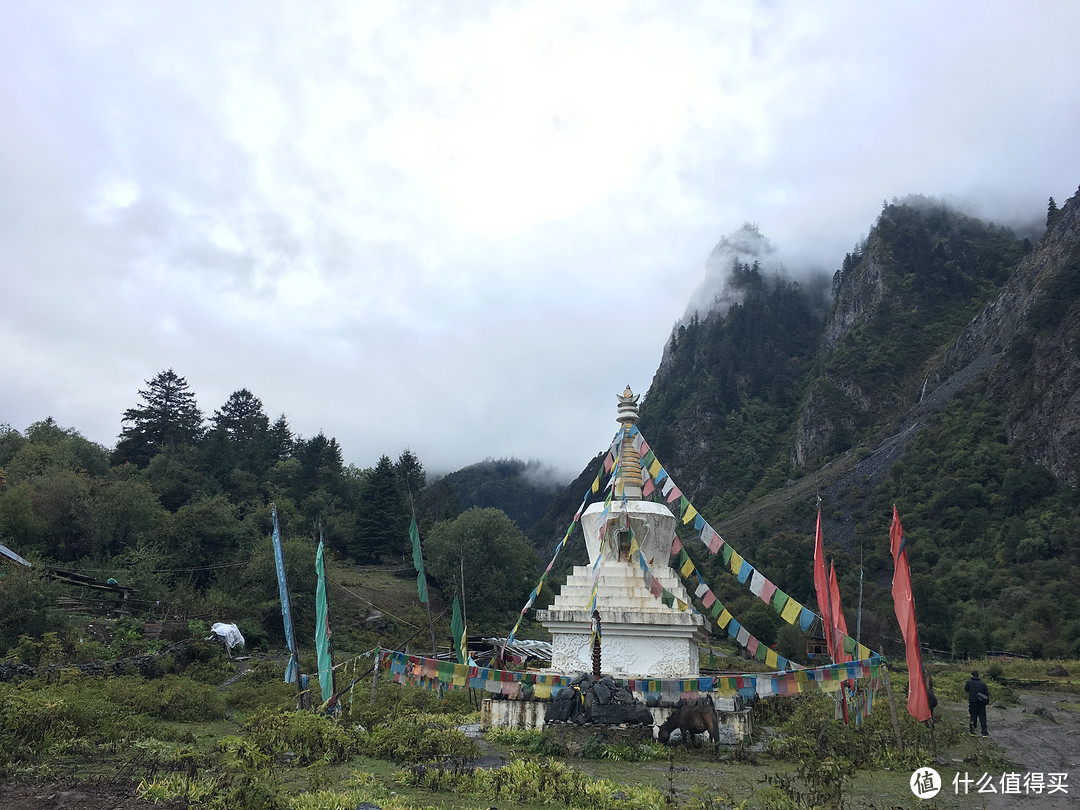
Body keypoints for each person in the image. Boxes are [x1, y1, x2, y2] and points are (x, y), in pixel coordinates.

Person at [964, 670, 990, 736]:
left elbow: (966, 689)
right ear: (978, 675)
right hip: (981, 703)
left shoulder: (969, 682)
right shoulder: (983, 684)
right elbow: (986, 694)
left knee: (973, 717)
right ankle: (984, 732)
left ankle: (972, 731)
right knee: (982, 717)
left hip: (972, 702)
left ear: (972, 675)